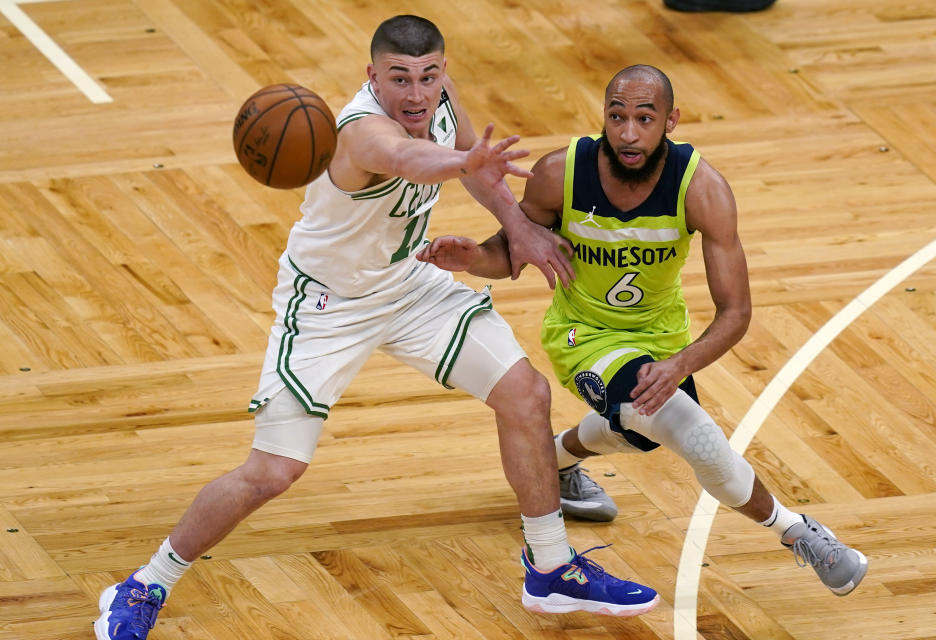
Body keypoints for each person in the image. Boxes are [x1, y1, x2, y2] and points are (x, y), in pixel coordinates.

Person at [93, 16, 659, 640]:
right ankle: (145, 582)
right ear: (372, 77)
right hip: (329, 307)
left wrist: (517, 224)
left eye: (428, 76)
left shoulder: (441, 99)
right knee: (272, 472)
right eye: (399, 79)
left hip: (409, 284)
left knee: (525, 393)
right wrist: (462, 159)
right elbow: (408, 158)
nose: (417, 94)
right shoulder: (360, 131)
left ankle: (551, 566)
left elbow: (473, 170)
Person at [416, 64, 869, 597]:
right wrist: (473, 259)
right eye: (617, 117)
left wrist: (681, 363)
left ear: (670, 121)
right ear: (603, 118)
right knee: (692, 434)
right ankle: (797, 531)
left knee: (639, 431)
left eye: (645, 118)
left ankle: (554, 460)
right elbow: (512, 253)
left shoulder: (703, 189)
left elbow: (735, 313)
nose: (629, 133)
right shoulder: (560, 173)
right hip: (582, 334)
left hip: (660, 338)